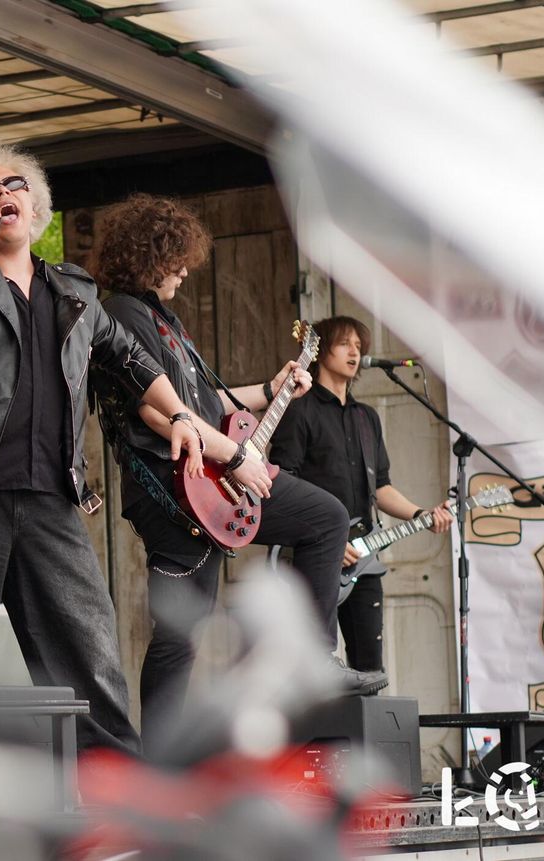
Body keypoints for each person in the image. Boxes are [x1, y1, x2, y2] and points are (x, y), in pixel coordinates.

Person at [0, 143, 203, 755]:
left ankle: (116, 788)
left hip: (51, 500)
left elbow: (130, 359)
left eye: (14, 185)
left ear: (36, 205)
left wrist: (181, 414)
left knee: (90, 656)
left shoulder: (74, 290)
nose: (2, 195)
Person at [89, 194, 387, 755]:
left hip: (210, 478)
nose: (184, 271)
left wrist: (273, 389)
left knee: (324, 517)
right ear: (149, 257)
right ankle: (159, 763)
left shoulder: (163, 319)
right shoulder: (123, 315)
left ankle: (313, 657)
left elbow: (206, 404)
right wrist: (237, 457)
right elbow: (156, 411)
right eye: (176, 260)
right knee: (180, 634)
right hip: (175, 490)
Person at [269, 315, 452, 676]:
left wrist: (421, 515)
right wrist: (327, 540)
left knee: (371, 671)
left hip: (364, 559)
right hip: (315, 555)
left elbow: (380, 487)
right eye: (344, 344)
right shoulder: (299, 409)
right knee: (311, 669)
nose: (354, 352)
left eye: (358, 345)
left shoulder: (367, 418)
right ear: (320, 351)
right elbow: (281, 479)